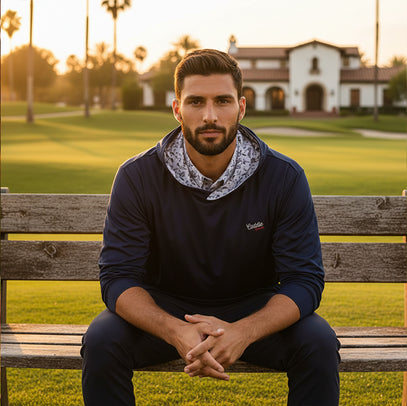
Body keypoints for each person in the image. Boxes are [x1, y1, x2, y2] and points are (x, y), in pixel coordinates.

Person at [81, 49, 340, 406]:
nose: (210, 116)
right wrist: (177, 331)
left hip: (254, 310)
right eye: (196, 102)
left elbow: (305, 281)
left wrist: (243, 332)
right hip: (165, 312)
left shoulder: (284, 176)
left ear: (242, 107)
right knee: (102, 340)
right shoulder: (137, 176)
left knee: (318, 341)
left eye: (222, 101)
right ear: (176, 109)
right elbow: (118, 276)